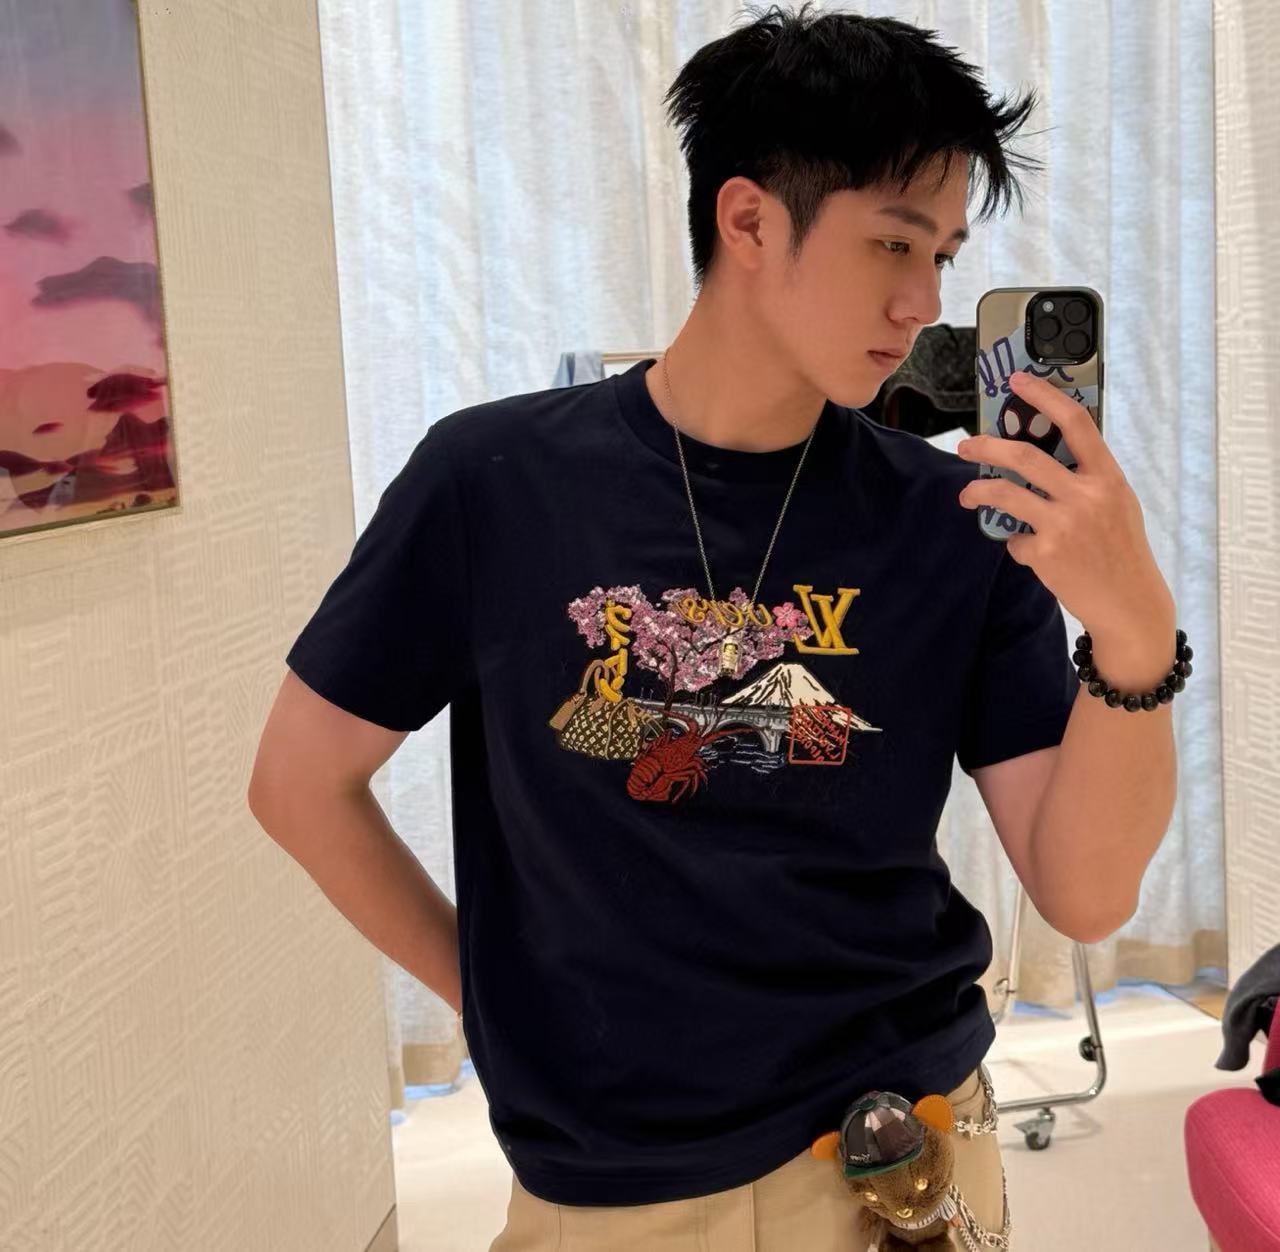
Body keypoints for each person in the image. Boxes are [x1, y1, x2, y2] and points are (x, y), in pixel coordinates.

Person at [250, 5, 1066, 1248]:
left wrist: (1131, 620)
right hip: (616, 1178)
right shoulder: (493, 482)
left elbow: (1079, 882)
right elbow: (300, 783)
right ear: (748, 220)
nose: (922, 302)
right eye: (893, 243)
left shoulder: (950, 513)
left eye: (945, 255)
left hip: (904, 1148)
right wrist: (493, 998)